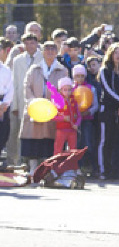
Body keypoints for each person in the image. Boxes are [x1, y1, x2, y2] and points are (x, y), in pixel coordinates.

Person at [20, 41, 69, 174]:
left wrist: (56, 105)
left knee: (50, 141)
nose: (50, 51)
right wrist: (33, 103)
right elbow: (27, 87)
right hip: (35, 109)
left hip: (52, 111)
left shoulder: (62, 70)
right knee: (33, 140)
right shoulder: (34, 68)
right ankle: (32, 168)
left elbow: (65, 90)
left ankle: (48, 170)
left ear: (57, 51)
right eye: (47, 49)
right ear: (42, 51)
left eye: (53, 49)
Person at [97, 43, 119, 180]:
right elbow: (107, 90)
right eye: (115, 52)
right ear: (110, 54)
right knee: (106, 141)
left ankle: (116, 170)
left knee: (118, 141)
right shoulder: (104, 70)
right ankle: (103, 169)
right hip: (107, 110)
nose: (118, 55)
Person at [8, 33, 43, 167]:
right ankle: (17, 162)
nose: (30, 46)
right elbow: (15, 83)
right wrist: (15, 106)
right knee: (19, 134)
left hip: (38, 100)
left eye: (32, 43)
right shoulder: (17, 60)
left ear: (37, 43)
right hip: (22, 101)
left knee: (37, 133)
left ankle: (37, 163)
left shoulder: (42, 56)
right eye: (27, 43)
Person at [52, 77, 81, 155]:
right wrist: (63, 118)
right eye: (65, 90)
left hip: (72, 130)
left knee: (73, 150)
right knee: (58, 149)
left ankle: (72, 166)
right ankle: (55, 166)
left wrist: (77, 124)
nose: (67, 92)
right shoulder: (57, 101)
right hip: (61, 130)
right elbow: (53, 116)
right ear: (60, 90)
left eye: (69, 90)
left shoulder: (74, 101)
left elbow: (79, 115)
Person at [0, 45, 13, 168]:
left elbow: (10, 88)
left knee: (3, 131)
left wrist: (5, 104)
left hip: (4, 103)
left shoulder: (6, 69)